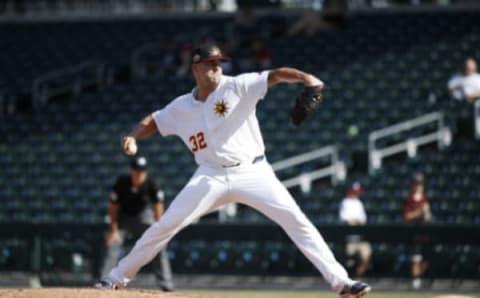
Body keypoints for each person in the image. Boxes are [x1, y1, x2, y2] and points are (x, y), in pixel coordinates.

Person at [94, 43, 370, 297]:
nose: (216, 67)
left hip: (253, 172)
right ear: (195, 67)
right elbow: (154, 120)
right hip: (209, 175)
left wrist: (307, 79)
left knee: (296, 221)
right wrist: (132, 136)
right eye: (210, 63)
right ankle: (116, 277)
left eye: (219, 63)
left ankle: (341, 282)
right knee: (165, 225)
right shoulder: (181, 107)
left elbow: (275, 75)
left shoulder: (238, 86)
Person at [99, 156, 174, 292]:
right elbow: (113, 208)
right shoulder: (122, 182)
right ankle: (105, 281)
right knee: (112, 243)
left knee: (158, 246)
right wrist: (113, 230)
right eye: (136, 170)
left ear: (145, 172)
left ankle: (166, 285)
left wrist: (160, 232)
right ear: (131, 170)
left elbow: (158, 208)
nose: (138, 173)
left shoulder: (151, 184)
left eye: (141, 171)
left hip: (144, 217)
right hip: (124, 218)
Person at [403, 173, 432, 290]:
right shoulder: (409, 199)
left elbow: (428, 217)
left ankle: (419, 277)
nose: (418, 186)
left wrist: (426, 213)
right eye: (416, 183)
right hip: (414, 233)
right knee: (416, 258)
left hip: (424, 232)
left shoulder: (424, 198)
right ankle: (416, 282)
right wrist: (419, 212)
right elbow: (406, 216)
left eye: (420, 183)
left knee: (426, 257)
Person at [339, 182, 371, 277]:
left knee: (366, 256)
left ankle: (358, 278)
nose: (356, 193)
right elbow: (344, 219)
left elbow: (363, 220)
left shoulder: (359, 203)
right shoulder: (345, 202)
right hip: (350, 236)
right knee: (349, 262)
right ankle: (348, 280)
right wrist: (355, 221)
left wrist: (357, 222)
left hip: (360, 235)